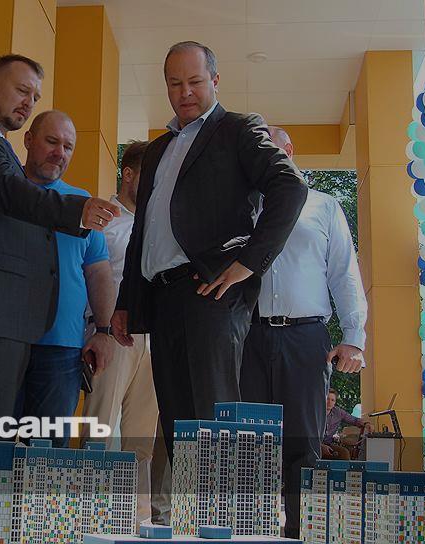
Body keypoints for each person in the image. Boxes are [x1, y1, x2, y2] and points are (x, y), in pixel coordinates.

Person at [110, 40, 307, 487]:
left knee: (213, 420)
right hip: (161, 298)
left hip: (212, 292)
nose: (185, 92)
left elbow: (290, 187)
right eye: (174, 83)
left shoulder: (239, 129)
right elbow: (144, 231)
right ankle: (191, 517)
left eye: (195, 82)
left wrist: (249, 262)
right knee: (177, 424)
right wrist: (126, 301)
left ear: (215, 81)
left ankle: (223, 518)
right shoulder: (156, 150)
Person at [0, 54, 120, 423]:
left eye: (34, 97)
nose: (28, 102)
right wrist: (76, 211)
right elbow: (7, 189)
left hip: (10, 320)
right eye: (22, 90)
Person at [239, 125, 367, 537]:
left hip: (306, 338)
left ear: (289, 151)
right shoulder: (242, 208)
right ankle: (252, 533)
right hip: (247, 337)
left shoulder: (324, 206)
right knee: (250, 445)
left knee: (303, 446)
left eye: (268, 152)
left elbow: (344, 273)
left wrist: (354, 337)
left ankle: (300, 534)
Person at [15, 110, 113, 447]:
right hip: (2, 343)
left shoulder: (83, 204)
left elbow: (98, 271)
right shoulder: (3, 190)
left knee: (49, 453)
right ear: (29, 140)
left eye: (68, 146)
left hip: (61, 350)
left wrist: (103, 332)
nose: (59, 152)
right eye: (51, 141)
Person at [80, 140, 159, 523]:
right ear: (128, 174)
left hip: (152, 341)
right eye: (148, 176)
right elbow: (87, 278)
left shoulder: (159, 226)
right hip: (110, 337)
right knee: (99, 431)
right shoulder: (103, 221)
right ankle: (87, 518)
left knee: (141, 439)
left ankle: (137, 521)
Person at [322, 389, 370, 460]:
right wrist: (321, 446)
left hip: (328, 444)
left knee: (344, 453)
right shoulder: (315, 412)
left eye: (332, 400)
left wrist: (366, 424)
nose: (329, 402)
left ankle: (347, 468)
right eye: (327, 399)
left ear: (335, 402)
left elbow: (354, 420)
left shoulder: (338, 412)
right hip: (313, 445)